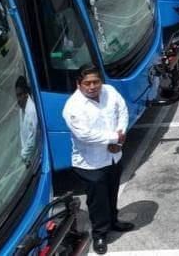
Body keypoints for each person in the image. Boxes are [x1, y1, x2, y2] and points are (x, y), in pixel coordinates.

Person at [63, 65, 133, 254]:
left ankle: (114, 221)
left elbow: (122, 111)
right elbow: (85, 135)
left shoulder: (110, 91)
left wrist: (121, 134)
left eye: (96, 82)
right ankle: (100, 234)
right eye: (88, 83)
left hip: (113, 156)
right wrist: (113, 138)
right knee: (97, 201)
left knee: (111, 192)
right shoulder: (73, 107)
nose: (93, 86)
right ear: (79, 84)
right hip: (90, 163)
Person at [16, 75, 38, 166]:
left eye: (20, 95)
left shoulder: (31, 111)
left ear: (26, 94)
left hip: (33, 158)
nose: (18, 99)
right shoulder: (21, 109)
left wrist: (24, 154)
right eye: (17, 95)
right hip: (28, 158)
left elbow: (33, 137)